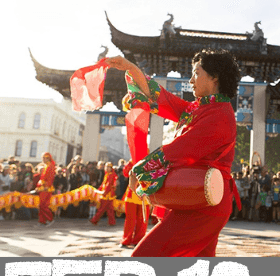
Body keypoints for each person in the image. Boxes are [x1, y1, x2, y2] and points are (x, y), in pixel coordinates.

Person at [107, 49, 241, 257]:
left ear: (214, 77)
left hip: (203, 203)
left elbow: (182, 149)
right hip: (198, 196)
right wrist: (132, 69)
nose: (191, 79)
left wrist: (141, 168)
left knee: (145, 257)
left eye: (197, 73)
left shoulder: (220, 114)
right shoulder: (198, 109)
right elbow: (164, 99)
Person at [90, 162, 118, 226]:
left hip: (107, 195)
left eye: (108, 167)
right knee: (110, 209)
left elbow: (108, 185)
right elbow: (103, 184)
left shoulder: (111, 175)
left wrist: (104, 192)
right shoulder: (107, 175)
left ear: (111, 168)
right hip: (107, 194)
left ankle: (94, 220)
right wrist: (98, 190)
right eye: (106, 167)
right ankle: (112, 222)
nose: (107, 168)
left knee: (102, 209)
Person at [35, 152, 57, 226]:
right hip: (43, 187)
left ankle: (50, 219)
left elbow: (50, 178)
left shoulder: (50, 166)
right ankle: (42, 221)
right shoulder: (47, 166)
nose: (43, 159)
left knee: (43, 205)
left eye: (44, 158)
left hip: (46, 188)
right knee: (41, 205)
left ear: (48, 158)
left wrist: (45, 187)